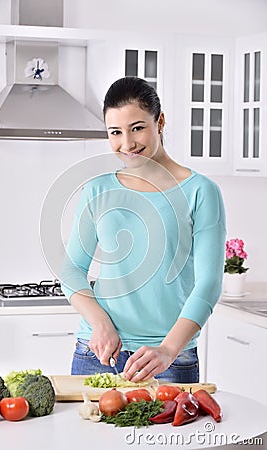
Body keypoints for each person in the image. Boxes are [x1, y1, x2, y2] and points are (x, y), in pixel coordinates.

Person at [61, 76, 226, 383]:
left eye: (137, 127)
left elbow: (209, 283)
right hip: (97, 354)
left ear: (160, 121)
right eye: (115, 132)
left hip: (169, 360)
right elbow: (72, 270)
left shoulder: (200, 192)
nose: (127, 144)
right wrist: (100, 324)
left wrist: (168, 349)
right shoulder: (97, 190)